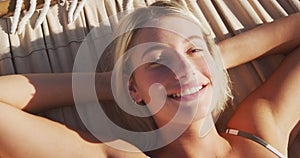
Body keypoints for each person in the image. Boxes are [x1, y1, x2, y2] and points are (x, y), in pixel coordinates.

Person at [0, 1, 299, 157]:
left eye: (193, 48)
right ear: (134, 89)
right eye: (157, 60)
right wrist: (112, 85)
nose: (182, 68)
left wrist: (211, 63)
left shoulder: (260, 131)